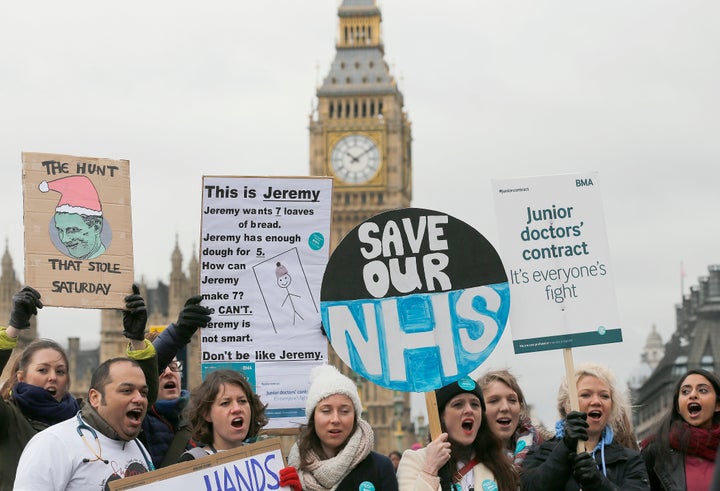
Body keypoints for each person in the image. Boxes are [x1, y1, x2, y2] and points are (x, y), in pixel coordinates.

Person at [0, 285, 158, 490]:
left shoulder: (82, 417)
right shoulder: (8, 419)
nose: (52, 378)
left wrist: (137, 340)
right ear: (21, 376)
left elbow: (141, 394)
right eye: (42, 370)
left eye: (60, 371)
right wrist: (13, 329)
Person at [14, 357, 155, 490]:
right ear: (95, 398)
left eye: (143, 392)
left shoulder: (138, 447)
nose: (139, 398)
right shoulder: (53, 443)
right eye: (126, 391)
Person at [521, 363, 649, 490]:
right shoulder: (541, 453)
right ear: (567, 405)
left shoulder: (629, 460)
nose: (596, 401)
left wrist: (599, 484)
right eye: (585, 395)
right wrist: (565, 448)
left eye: (604, 396)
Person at [281, 364, 398, 491]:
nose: (335, 419)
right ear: (313, 417)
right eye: (326, 411)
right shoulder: (290, 469)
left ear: (355, 417)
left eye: (344, 411)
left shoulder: (380, 467)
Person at [396, 376, 518, 491]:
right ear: (441, 417)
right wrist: (430, 470)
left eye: (475, 404)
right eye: (458, 404)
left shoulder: (502, 467)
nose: (469, 410)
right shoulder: (415, 461)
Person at [139, 295, 212, 467]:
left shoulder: (205, 418)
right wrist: (177, 334)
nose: (169, 373)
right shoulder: (135, 422)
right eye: (161, 368)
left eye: (174, 366)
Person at [641, 368, 720, 490]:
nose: (693, 395)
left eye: (703, 390)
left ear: (717, 405)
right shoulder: (656, 451)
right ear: (678, 407)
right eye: (685, 391)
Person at [178, 368, 268, 460]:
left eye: (242, 401)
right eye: (225, 403)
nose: (237, 409)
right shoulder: (191, 461)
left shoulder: (264, 457)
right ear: (206, 414)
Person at [478, 368, 543, 469]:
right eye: (494, 401)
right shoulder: (464, 458)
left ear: (520, 407)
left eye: (512, 400)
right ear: (479, 409)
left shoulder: (544, 451)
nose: (505, 408)